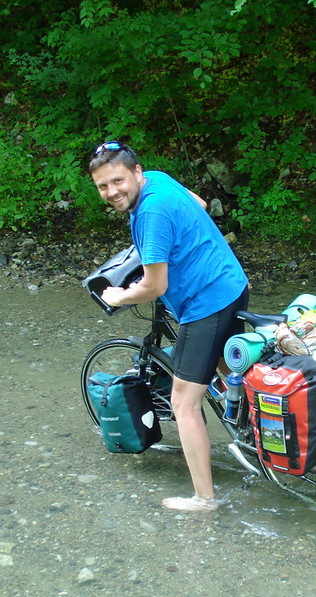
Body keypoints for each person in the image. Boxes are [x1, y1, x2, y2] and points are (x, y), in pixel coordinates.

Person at [88, 141, 249, 512]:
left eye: (117, 181)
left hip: (205, 304)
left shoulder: (150, 215)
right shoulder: (159, 180)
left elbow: (155, 286)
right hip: (231, 284)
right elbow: (200, 205)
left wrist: (119, 296)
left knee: (183, 402)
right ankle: (258, 436)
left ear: (136, 172)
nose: (112, 192)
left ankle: (204, 499)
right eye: (102, 186)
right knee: (228, 368)